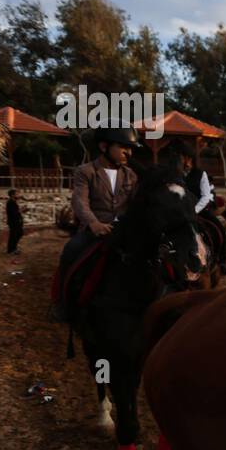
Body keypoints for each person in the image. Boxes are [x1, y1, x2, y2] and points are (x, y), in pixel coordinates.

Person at [54, 126, 140, 318]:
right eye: (123, 147)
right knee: (70, 250)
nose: (129, 152)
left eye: (131, 148)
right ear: (103, 146)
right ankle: (62, 302)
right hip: (93, 230)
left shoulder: (132, 175)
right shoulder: (85, 171)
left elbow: (135, 204)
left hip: (122, 231)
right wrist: (93, 223)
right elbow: (79, 201)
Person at [170, 141, 226, 275]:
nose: (176, 160)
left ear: (187, 157)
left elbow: (206, 196)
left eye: (179, 156)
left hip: (199, 211)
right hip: (179, 213)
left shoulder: (200, 174)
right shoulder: (174, 174)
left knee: (218, 227)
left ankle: (223, 261)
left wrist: (194, 211)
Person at [5, 188, 24, 256]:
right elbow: (14, 213)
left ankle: (14, 248)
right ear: (12, 195)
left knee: (19, 234)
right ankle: (11, 250)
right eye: (17, 194)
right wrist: (22, 210)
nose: (18, 195)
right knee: (14, 235)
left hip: (16, 221)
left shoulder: (13, 201)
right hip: (13, 222)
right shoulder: (10, 202)